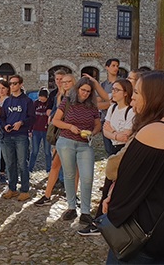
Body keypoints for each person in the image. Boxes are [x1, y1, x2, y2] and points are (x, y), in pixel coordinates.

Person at [102, 71, 164, 264]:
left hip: (142, 234)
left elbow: (127, 183)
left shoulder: (153, 131)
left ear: (153, 96)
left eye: (137, 94)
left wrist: (111, 205)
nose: (132, 101)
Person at [81, 79, 134, 235]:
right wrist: (116, 133)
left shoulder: (131, 111)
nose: (113, 92)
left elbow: (126, 137)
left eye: (117, 90)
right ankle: (102, 221)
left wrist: (113, 132)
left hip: (124, 150)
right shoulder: (112, 108)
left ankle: (102, 223)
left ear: (125, 93)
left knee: (114, 186)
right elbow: (105, 131)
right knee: (109, 185)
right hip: (114, 148)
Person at [52, 77, 101, 226]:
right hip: (66, 141)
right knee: (69, 174)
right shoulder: (67, 101)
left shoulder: (92, 106)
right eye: (83, 90)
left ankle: (85, 211)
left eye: (88, 91)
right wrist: (70, 127)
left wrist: (92, 132)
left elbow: (98, 124)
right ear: (78, 89)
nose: (85, 93)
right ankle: (71, 207)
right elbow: (56, 121)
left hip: (85, 144)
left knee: (87, 177)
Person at [34, 74, 79, 206]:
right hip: (61, 134)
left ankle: (74, 196)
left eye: (68, 81)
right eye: (63, 82)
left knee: (74, 167)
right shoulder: (60, 97)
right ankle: (47, 195)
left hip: (74, 134)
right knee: (55, 165)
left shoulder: (78, 98)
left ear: (74, 83)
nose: (65, 84)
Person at [0, 74, 35, 201]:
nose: (12, 86)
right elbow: (2, 118)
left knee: (22, 164)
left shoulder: (27, 101)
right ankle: (12, 189)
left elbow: (32, 118)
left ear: (20, 85)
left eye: (15, 83)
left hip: (21, 136)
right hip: (8, 136)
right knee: (10, 164)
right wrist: (5, 126)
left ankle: (25, 190)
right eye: (11, 83)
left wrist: (22, 123)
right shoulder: (7, 101)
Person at [28, 88, 52, 173]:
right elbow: (32, 117)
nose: (41, 100)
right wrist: (30, 130)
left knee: (47, 151)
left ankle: (49, 169)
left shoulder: (49, 104)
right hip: (36, 130)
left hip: (46, 131)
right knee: (34, 151)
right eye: (40, 97)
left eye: (43, 98)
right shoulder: (36, 103)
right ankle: (30, 169)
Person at [99, 58, 120, 155]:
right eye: (113, 65)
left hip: (120, 120)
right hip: (106, 120)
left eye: (117, 66)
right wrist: (112, 103)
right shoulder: (103, 86)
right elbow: (97, 104)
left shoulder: (122, 83)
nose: (116, 68)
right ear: (107, 67)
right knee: (109, 150)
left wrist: (107, 103)